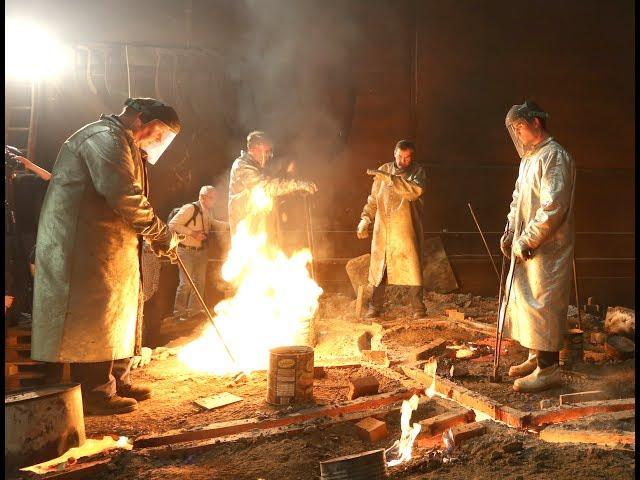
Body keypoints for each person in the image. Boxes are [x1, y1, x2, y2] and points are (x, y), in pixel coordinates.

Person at [32, 97, 181, 415]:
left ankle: (116, 380)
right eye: (158, 134)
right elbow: (123, 194)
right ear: (140, 119)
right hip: (83, 242)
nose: (157, 143)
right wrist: (160, 232)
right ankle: (97, 394)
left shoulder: (123, 141)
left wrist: (150, 236)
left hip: (109, 241)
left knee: (120, 311)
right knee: (96, 316)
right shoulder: (103, 138)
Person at [500, 100, 576, 393]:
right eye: (514, 129)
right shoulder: (529, 159)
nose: (517, 134)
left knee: (544, 303)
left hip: (547, 246)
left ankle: (549, 369)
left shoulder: (554, 156)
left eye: (520, 126)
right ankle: (535, 356)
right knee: (526, 301)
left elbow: (553, 207)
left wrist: (528, 238)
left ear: (535, 123)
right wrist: (510, 232)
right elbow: (518, 200)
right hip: (526, 245)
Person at [357, 140, 427, 319]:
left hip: (405, 229)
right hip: (383, 229)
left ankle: (418, 308)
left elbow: (415, 191)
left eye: (407, 157)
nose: (403, 161)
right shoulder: (383, 170)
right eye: (400, 156)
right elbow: (373, 199)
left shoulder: (417, 172)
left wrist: (392, 179)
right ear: (394, 153)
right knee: (381, 268)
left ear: (412, 157)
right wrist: (365, 219)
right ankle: (375, 307)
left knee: (412, 268)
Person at [228, 131, 317, 243]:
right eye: (266, 151)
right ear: (255, 149)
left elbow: (275, 174)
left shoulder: (257, 166)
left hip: (258, 224)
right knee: (251, 258)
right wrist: (297, 184)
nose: (269, 155)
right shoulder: (242, 166)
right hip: (246, 227)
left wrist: (288, 165)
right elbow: (266, 187)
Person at [169, 185, 228, 320]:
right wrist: (193, 233)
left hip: (201, 251)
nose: (214, 201)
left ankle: (194, 311)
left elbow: (212, 222)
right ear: (202, 197)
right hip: (185, 251)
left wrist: (228, 225)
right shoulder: (189, 209)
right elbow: (173, 224)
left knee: (199, 282)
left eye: (215, 198)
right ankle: (179, 313)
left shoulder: (207, 211)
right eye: (212, 198)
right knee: (186, 283)